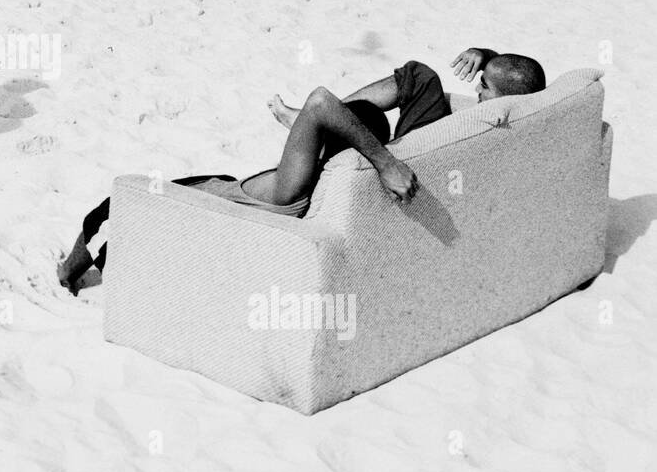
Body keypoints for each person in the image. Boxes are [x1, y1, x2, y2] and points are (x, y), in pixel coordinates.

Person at [58, 48, 546, 293]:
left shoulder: (305, 182)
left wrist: (387, 160)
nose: (477, 90)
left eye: (481, 85)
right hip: (387, 153)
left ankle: (65, 274)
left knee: (112, 211)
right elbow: (517, 85)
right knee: (422, 77)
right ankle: (311, 126)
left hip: (261, 197)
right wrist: (487, 53)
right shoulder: (502, 126)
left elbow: (321, 101)